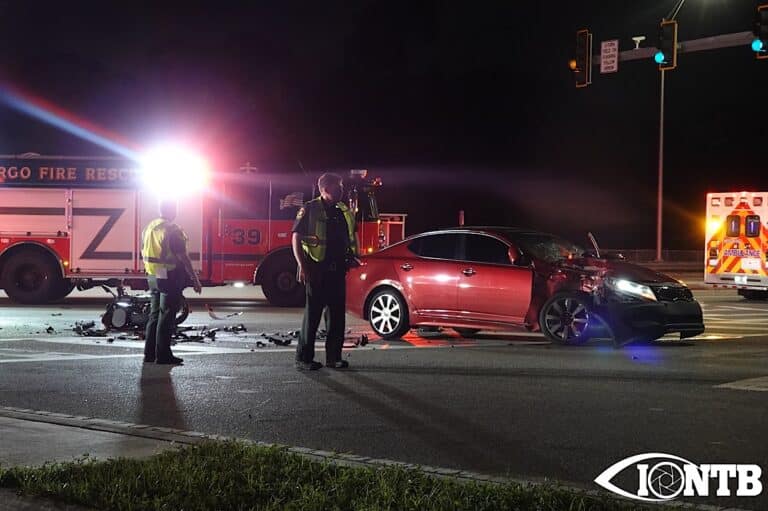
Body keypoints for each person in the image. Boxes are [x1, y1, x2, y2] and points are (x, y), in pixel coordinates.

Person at [292, 172, 358, 370]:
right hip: (316, 269)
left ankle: (333, 358)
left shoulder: (341, 211)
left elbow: (347, 238)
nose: (342, 190)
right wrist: (302, 266)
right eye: (338, 187)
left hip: (337, 271)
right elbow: (296, 237)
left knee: (337, 316)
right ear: (325, 189)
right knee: (312, 315)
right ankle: (304, 359)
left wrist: (352, 257)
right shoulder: (309, 209)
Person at [142, 199, 202, 365]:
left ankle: (149, 353)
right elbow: (183, 256)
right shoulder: (172, 230)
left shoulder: (150, 227)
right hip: (168, 275)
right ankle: (163, 355)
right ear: (173, 210)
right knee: (167, 315)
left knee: (154, 315)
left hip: (152, 276)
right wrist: (195, 278)